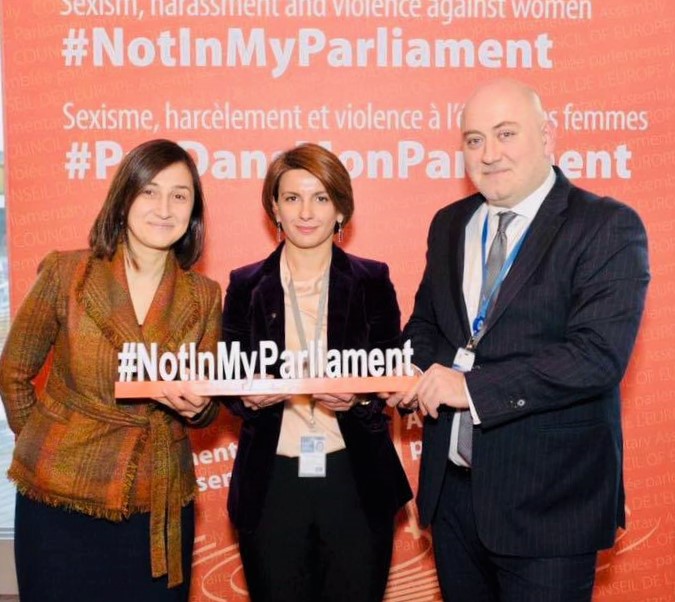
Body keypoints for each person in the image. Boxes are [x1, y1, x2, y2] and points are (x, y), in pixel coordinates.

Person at [387, 79, 650, 602]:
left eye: (505, 133)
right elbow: (426, 327)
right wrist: (409, 373)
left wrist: (470, 388)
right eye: (474, 139)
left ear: (547, 136)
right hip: (453, 497)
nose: (489, 153)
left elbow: (597, 356)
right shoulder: (450, 224)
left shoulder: (606, 225)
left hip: (550, 504)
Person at [0, 139, 222, 602]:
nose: (164, 208)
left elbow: (208, 399)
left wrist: (200, 408)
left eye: (179, 196)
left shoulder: (204, 295)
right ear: (124, 198)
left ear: (193, 212)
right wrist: (49, 441)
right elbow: (14, 371)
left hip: (157, 503)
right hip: (58, 501)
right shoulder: (68, 273)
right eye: (149, 191)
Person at [222, 143, 412, 602]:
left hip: (354, 475)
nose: (306, 212)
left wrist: (359, 397)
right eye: (292, 198)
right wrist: (247, 397)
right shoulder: (245, 285)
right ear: (275, 208)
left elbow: (391, 371)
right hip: (272, 480)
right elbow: (227, 380)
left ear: (341, 209)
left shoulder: (372, 280)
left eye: (321, 198)